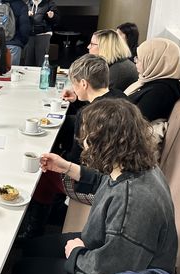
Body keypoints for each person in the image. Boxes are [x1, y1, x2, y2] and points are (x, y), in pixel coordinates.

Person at [5, 98, 178, 274]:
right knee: (33, 247)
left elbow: (111, 269)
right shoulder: (139, 165)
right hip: (109, 248)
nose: (84, 143)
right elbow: (104, 181)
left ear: (107, 143)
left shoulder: (134, 201)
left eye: (88, 137)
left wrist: (76, 252)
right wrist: (66, 166)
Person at [18, 54, 127, 241]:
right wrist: (77, 99)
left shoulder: (88, 115)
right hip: (118, 177)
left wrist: (60, 159)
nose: (74, 87)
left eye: (75, 84)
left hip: (95, 184)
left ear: (84, 84)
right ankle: (53, 210)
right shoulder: (119, 97)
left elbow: (77, 160)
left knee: (44, 175)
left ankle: (33, 231)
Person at [125, 38, 180, 121]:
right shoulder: (153, 81)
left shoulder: (161, 91)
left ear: (155, 61)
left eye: (139, 58)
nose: (136, 61)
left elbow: (134, 121)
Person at [24, 0, 60, 67]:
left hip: (43, 34)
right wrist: (26, 16)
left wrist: (52, 16)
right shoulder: (27, 4)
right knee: (28, 62)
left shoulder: (49, 3)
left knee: (41, 61)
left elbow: (57, 20)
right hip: (29, 35)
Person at [0, 0, 30, 65]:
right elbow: (24, 27)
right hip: (14, 44)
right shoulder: (21, 5)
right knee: (11, 72)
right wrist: (22, 42)